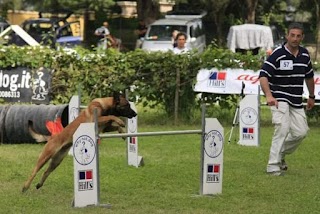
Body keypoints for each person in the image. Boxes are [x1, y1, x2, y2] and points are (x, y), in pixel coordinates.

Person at [259, 22, 315, 176]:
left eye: (298, 36)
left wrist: (311, 96)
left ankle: (280, 153)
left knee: (301, 133)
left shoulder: (304, 55)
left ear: (302, 37)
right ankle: (273, 165)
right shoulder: (278, 53)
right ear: (287, 36)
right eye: (292, 35)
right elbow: (263, 75)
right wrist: (269, 95)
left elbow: (309, 77)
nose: (295, 39)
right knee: (282, 128)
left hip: (296, 99)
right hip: (279, 98)